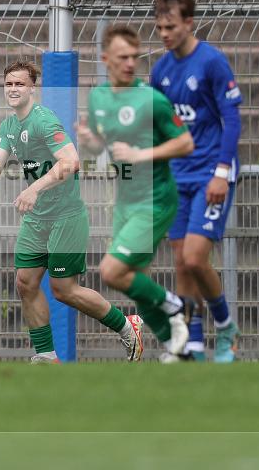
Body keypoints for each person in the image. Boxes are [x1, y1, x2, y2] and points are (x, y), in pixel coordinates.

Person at [0, 61, 144, 363]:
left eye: (19, 84)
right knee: (25, 282)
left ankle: (126, 325)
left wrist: (33, 189)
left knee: (64, 290)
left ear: (32, 88)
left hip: (65, 216)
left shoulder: (44, 121)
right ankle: (46, 356)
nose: (13, 89)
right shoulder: (8, 125)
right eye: (8, 84)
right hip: (37, 218)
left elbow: (71, 161)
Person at [76, 24, 196, 363]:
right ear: (105, 59)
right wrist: (90, 143)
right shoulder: (99, 98)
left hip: (155, 198)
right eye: (122, 57)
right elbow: (103, 144)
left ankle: (176, 306)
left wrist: (141, 155)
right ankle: (179, 344)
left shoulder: (152, 99)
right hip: (126, 202)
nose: (130, 63)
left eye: (134, 57)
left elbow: (186, 142)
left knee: (112, 271)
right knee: (134, 281)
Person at [150, 0, 242, 363]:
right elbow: (155, 123)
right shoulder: (161, 70)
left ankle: (226, 328)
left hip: (210, 173)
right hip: (177, 177)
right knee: (180, 262)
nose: (164, 34)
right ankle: (190, 343)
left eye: (170, 26)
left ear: (189, 23)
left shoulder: (211, 62)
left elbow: (232, 119)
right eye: (159, 28)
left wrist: (221, 173)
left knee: (193, 257)